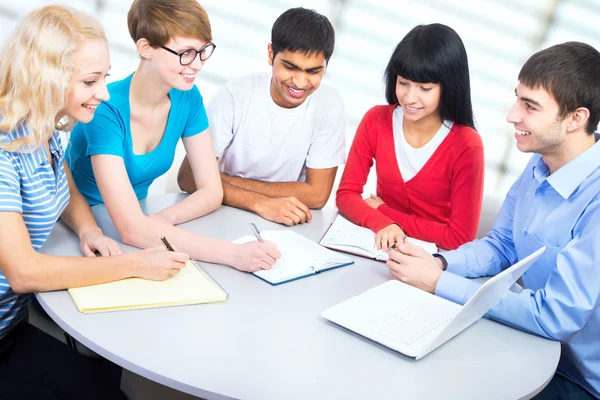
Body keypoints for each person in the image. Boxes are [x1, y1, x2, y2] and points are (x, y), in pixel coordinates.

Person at [386, 42, 600, 399]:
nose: (512, 115)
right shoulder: (543, 159)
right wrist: (440, 263)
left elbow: (556, 317)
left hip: (577, 379)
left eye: (529, 106)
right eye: (517, 98)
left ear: (575, 119)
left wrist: (439, 283)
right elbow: (502, 245)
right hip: (526, 344)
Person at [0, 6, 189, 399]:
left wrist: (87, 228)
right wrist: (135, 264)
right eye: (90, 81)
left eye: (105, 77)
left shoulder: (42, 126)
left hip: (13, 324)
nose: (104, 94)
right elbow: (22, 271)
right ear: (44, 79)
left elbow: (61, 176)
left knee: (111, 382)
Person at [67, 0, 280, 272]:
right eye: (186, 53)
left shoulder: (188, 98)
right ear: (146, 48)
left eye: (203, 51)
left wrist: (164, 218)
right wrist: (233, 254)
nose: (198, 64)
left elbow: (211, 191)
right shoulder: (105, 109)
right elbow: (130, 229)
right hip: (85, 231)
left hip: (142, 225)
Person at [177, 7, 346, 227]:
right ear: (270, 55)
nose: (300, 82)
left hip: (285, 220)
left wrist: (218, 181)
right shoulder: (235, 95)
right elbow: (188, 177)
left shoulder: (329, 104)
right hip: (222, 210)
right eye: (290, 67)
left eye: (313, 71)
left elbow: (316, 195)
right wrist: (260, 203)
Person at [336, 23, 484, 251]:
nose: (409, 97)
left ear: (450, 87)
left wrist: (385, 213)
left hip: (432, 261)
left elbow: (459, 239)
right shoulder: (376, 120)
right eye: (403, 83)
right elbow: (346, 195)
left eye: (424, 88)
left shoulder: (466, 144)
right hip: (378, 248)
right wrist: (382, 223)